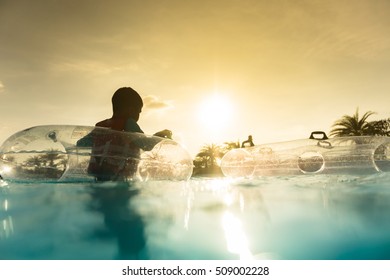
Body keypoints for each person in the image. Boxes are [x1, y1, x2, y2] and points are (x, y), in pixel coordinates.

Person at [84, 87, 171, 181]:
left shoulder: (100, 127)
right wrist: (159, 136)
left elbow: (81, 143)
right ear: (131, 110)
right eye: (139, 111)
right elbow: (146, 145)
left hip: (98, 179)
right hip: (121, 179)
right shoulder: (128, 123)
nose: (139, 115)